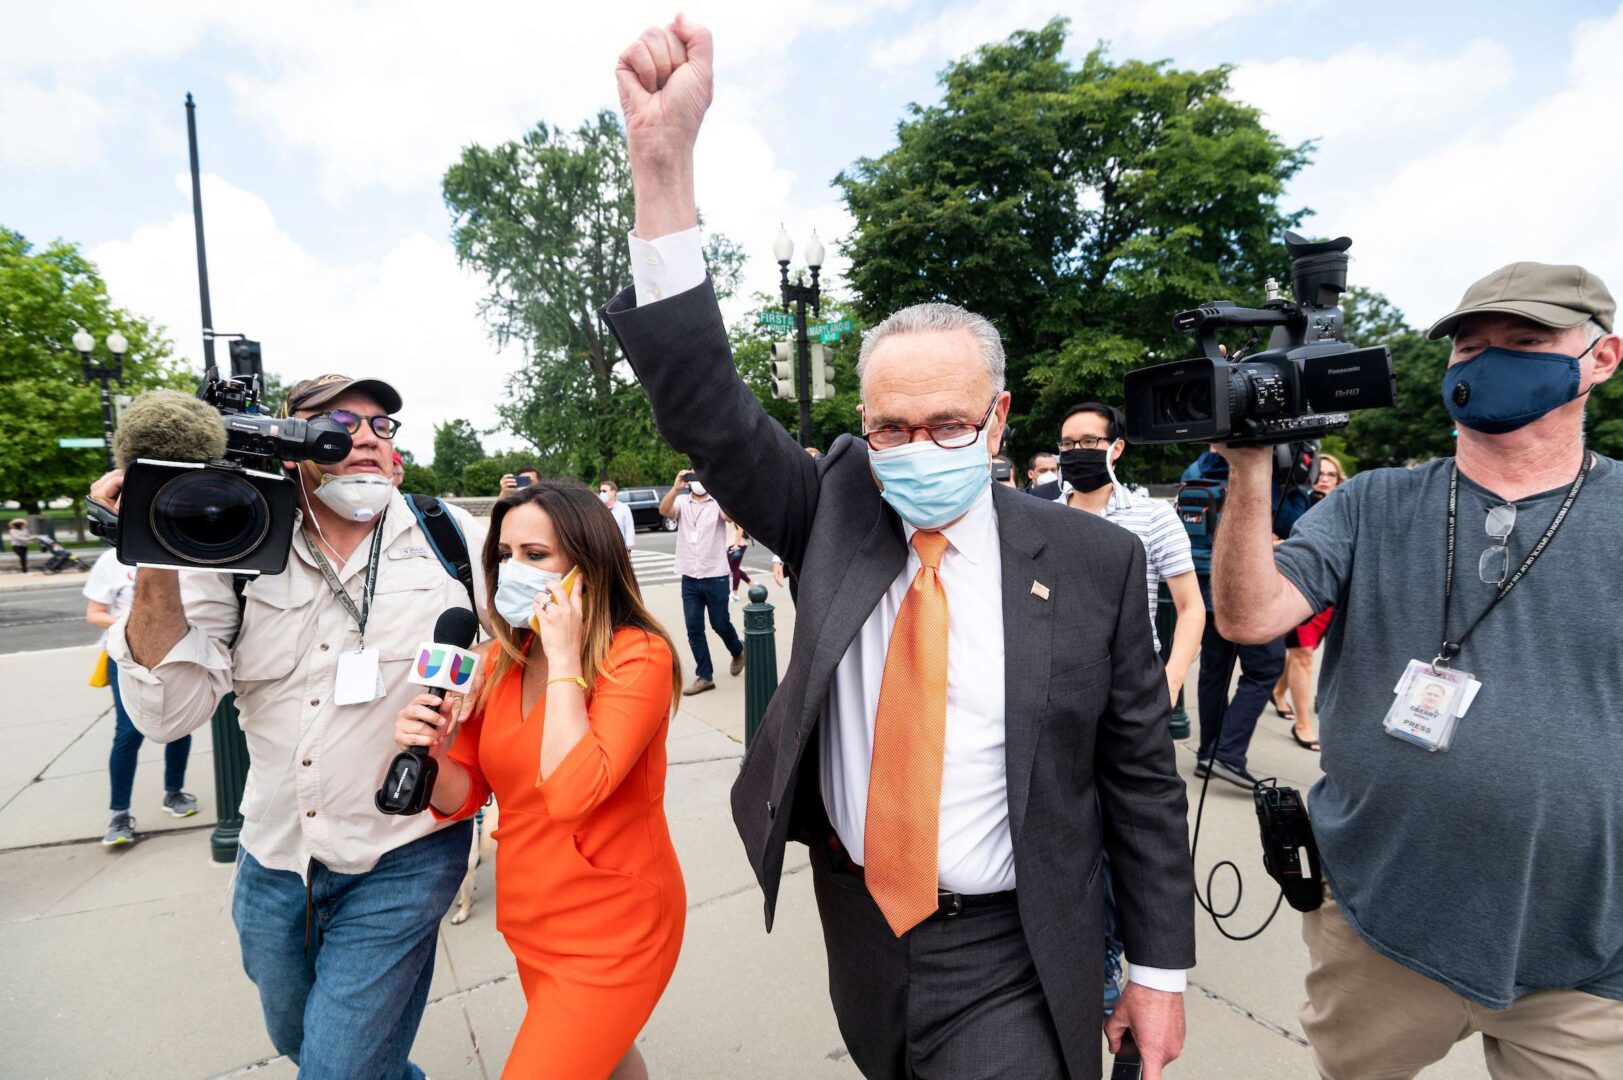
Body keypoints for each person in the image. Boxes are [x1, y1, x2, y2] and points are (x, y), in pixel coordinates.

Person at [608, 18, 1193, 1078]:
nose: (914, 450)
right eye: (889, 428)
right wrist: (664, 166)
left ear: (1001, 420)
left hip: (1018, 942)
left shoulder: (1095, 563)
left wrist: (1159, 968)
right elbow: (705, 405)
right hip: (861, 926)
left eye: (947, 427)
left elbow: (1140, 777)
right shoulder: (833, 507)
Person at [1212, 262, 1623, 1078]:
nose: (1487, 363)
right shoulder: (1372, 501)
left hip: (1584, 954)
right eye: (1469, 347)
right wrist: (1248, 468)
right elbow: (1249, 617)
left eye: (1525, 342)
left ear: (1601, 357)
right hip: (1376, 922)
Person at [97, 373, 487, 1080]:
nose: (367, 435)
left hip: (405, 850)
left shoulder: (448, 536)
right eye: (341, 423)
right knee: (303, 1040)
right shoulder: (234, 549)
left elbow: (549, 619)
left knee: (337, 1070)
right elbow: (168, 713)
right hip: (275, 857)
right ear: (289, 443)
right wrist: (155, 537)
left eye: (382, 425)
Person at [395, 481, 685, 1080]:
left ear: (586, 564)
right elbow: (467, 794)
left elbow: (573, 791)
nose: (512, 570)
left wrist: (566, 661)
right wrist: (434, 753)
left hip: (613, 924)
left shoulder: (637, 656)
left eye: (535, 555)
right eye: (504, 555)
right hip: (533, 915)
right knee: (606, 1059)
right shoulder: (502, 659)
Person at [1050, 403, 1204, 1015]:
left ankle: (1116, 957)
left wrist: (1167, 683)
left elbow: (1190, 607)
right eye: (1067, 441)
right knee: (1070, 822)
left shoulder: (1152, 517)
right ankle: (1083, 947)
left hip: (1131, 692)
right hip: (1060, 690)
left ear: (1117, 447)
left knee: (1130, 827)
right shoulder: (1042, 513)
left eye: (1090, 439)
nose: (1076, 450)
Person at [1183, 447, 1309, 788]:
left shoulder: (1195, 469)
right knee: (1265, 668)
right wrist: (1295, 484)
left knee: (1214, 673)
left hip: (1206, 586)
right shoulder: (1259, 469)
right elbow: (1292, 522)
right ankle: (1226, 753)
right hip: (1250, 589)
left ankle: (1208, 755)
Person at [85, 547, 197, 846]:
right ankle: (119, 814)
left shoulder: (184, 549)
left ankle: (174, 792)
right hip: (126, 658)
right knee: (128, 733)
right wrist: (136, 625)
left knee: (179, 727)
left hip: (174, 656)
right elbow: (94, 614)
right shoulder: (113, 559)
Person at [1271, 452, 1345, 751]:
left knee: (1304, 653)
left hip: (1335, 593)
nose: (1324, 478)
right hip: (1302, 588)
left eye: (1331, 475)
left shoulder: (1346, 507)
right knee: (1302, 654)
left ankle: (1278, 691)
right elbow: (1270, 541)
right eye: (1321, 473)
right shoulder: (1294, 502)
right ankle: (1302, 723)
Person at [658, 465, 743, 695]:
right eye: (692, 475)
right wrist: (675, 490)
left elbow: (731, 516)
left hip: (715, 575)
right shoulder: (682, 503)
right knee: (694, 628)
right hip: (690, 576)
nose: (697, 480)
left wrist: (720, 487)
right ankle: (704, 676)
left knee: (720, 623)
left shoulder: (716, 502)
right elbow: (664, 511)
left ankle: (737, 650)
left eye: (700, 475)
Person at [599, 479, 637, 550]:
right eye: (600, 491)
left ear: (613, 492)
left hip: (619, 548)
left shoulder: (624, 508)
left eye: (604, 491)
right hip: (602, 548)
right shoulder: (597, 509)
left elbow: (629, 528)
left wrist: (628, 548)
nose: (601, 493)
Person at [727, 522, 751, 599]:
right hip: (732, 544)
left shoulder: (732, 512)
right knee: (733, 568)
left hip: (738, 544)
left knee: (735, 568)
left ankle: (734, 593)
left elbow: (740, 528)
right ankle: (752, 585)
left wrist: (736, 545)